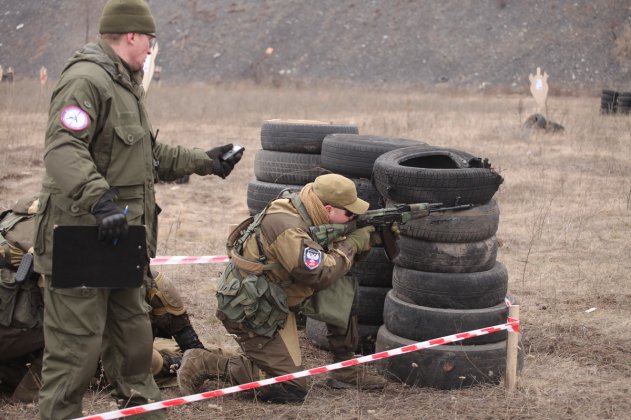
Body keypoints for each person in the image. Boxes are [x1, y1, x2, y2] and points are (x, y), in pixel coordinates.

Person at [32, 1, 243, 418]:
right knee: (76, 351)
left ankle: (143, 411)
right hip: (81, 237)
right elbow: (62, 147)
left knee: (133, 340)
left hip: (121, 240)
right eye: (149, 39)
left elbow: (147, 152)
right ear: (131, 35)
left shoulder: (125, 85)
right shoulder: (85, 80)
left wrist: (206, 161)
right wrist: (99, 198)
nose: (151, 47)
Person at [177, 173, 388, 403]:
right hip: (254, 309)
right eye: (350, 213)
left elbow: (330, 267)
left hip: (278, 294)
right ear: (328, 209)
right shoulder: (288, 226)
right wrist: (352, 243)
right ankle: (208, 362)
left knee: (341, 284)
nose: (353, 217)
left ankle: (345, 367)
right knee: (291, 387)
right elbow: (319, 272)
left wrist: (364, 241)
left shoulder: (308, 209)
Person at [0, 197, 210, 403]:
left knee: (145, 288)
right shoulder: (66, 236)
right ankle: (181, 360)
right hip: (18, 327)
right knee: (123, 348)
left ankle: (194, 351)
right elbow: (75, 318)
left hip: (21, 327)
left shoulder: (28, 216)